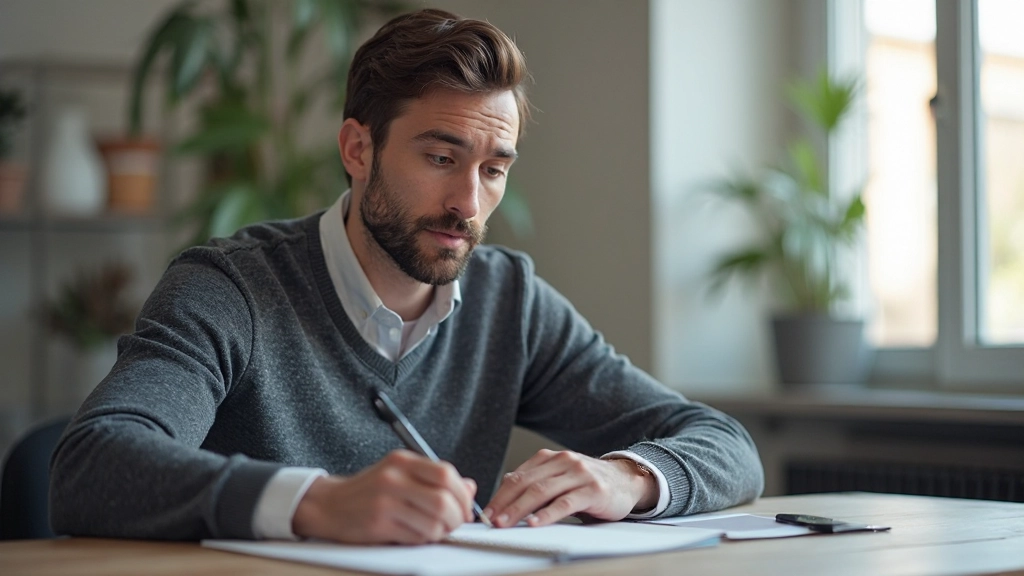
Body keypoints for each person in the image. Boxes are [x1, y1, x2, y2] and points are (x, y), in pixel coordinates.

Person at [50, 8, 763, 544]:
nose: (468, 203)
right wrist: (316, 502)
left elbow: (726, 445)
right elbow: (92, 466)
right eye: (440, 158)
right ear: (357, 148)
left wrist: (627, 477)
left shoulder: (508, 303)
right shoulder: (228, 289)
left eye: (493, 170)